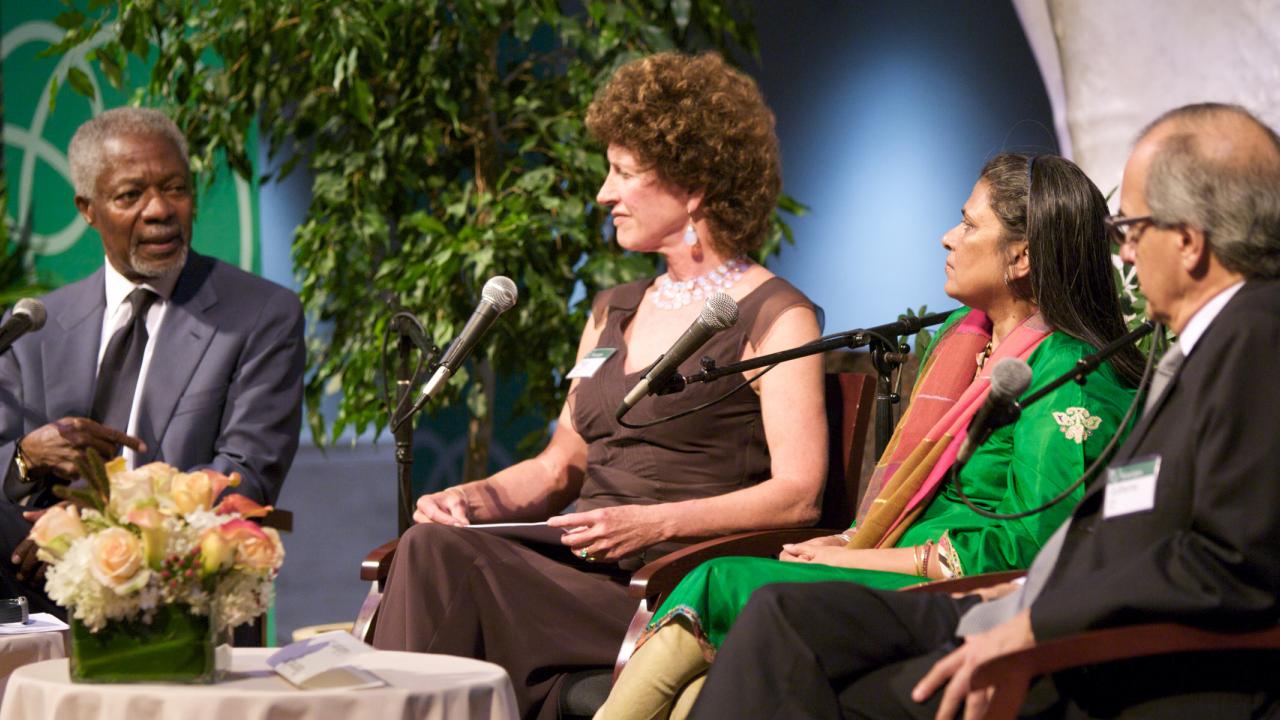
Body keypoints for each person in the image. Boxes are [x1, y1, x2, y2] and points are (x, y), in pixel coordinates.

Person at [687, 103, 1280, 720]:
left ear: (1187, 242)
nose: (1124, 255)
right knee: (785, 619)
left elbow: (1229, 567)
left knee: (795, 654)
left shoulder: (1255, 337)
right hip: (1039, 605)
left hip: (1107, 652)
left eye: (1131, 229)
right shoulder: (1214, 343)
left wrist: (1030, 630)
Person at [595, 152, 1145, 719]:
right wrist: (847, 547)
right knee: (692, 693)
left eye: (970, 225)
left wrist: (851, 561)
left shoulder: (1070, 373)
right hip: (889, 562)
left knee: (720, 579)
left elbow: (1030, 549)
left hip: (960, 597)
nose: (947, 238)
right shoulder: (966, 340)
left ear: (1023, 257)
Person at [369, 51, 827, 719]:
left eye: (622, 173)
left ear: (693, 185)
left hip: (664, 584)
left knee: (441, 566)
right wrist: (475, 496)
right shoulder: (612, 308)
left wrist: (652, 522)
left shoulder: (776, 315)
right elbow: (560, 465)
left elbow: (799, 496)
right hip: (575, 566)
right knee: (434, 542)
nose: (602, 194)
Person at [0, 107, 306, 615]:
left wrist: (88, 536)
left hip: (172, 586)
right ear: (87, 208)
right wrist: (26, 457)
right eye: (130, 195)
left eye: (176, 189)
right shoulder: (37, 325)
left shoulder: (258, 315)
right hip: (29, 582)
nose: (160, 209)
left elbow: (243, 476)